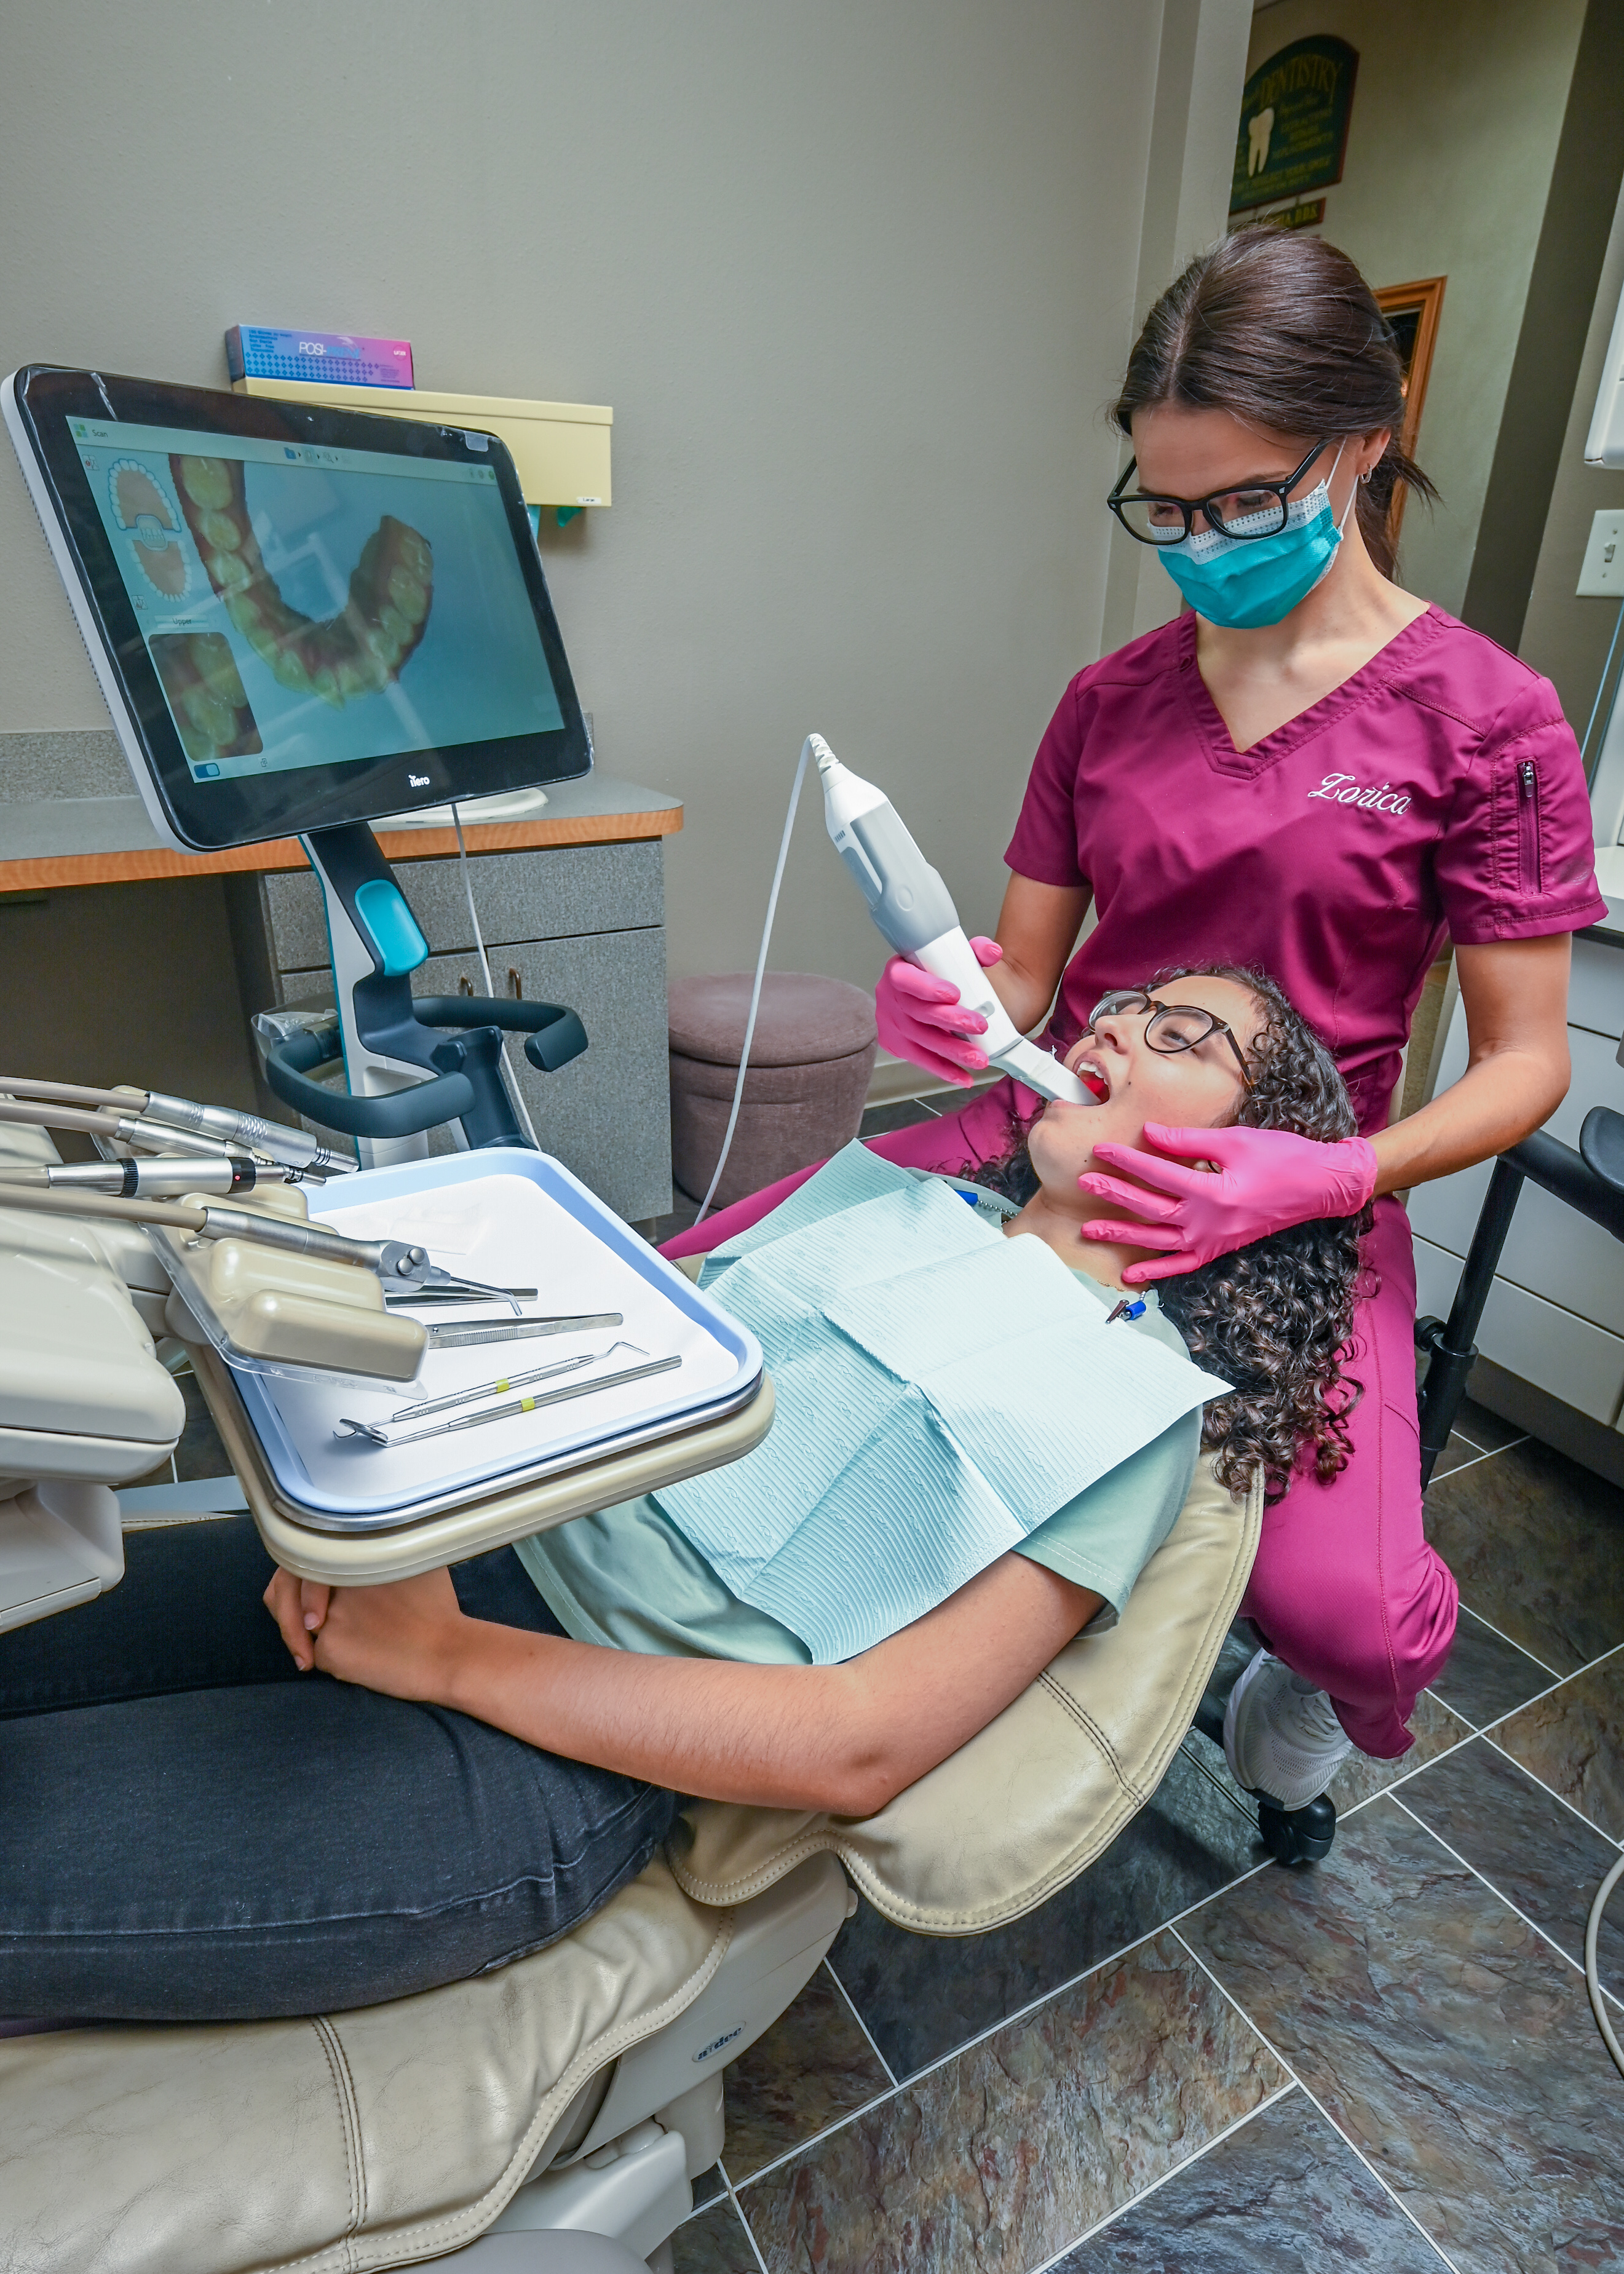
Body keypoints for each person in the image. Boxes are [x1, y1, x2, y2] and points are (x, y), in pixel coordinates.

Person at [666, 229, 1607, 1816]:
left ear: (1363, 445)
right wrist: (952, 1002)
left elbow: (1528, 1063)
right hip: (1057, 1115)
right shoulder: (1108, 701)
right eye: (1164, 509)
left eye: (1241, 501)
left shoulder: (1488, 723)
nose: (1199, 543)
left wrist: (1331, 1176)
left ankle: (1312, 1709)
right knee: (705, 1290)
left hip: (1302, 1183)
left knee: (1348, 1614)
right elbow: (1027, 984)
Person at [4, 968, 1357, 2022]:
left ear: (1257, 1164)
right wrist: (381, 1513)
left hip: (564, 1752)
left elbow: (862, 1741)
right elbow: (597, 1355)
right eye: (1127, 1002)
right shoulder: (899, 1208)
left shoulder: (1128, 1414)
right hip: (458, 1539)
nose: (1114, 1022)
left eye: (1184, 1037)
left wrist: (450, 1655)